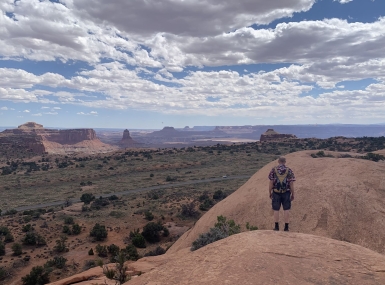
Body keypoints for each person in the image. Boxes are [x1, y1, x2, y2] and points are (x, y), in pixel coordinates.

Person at [268, 156, 295, 231]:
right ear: (285, 162)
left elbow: (271, 182)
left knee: (276, 209)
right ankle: (286, 227)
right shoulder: (289, 170)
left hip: (276, 192)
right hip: (286, 192)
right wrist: (293, 194)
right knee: (286, 209)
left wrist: (270, 192)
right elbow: (291, 183)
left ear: (278, 161)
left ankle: (276, 227)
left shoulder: (274, 170)